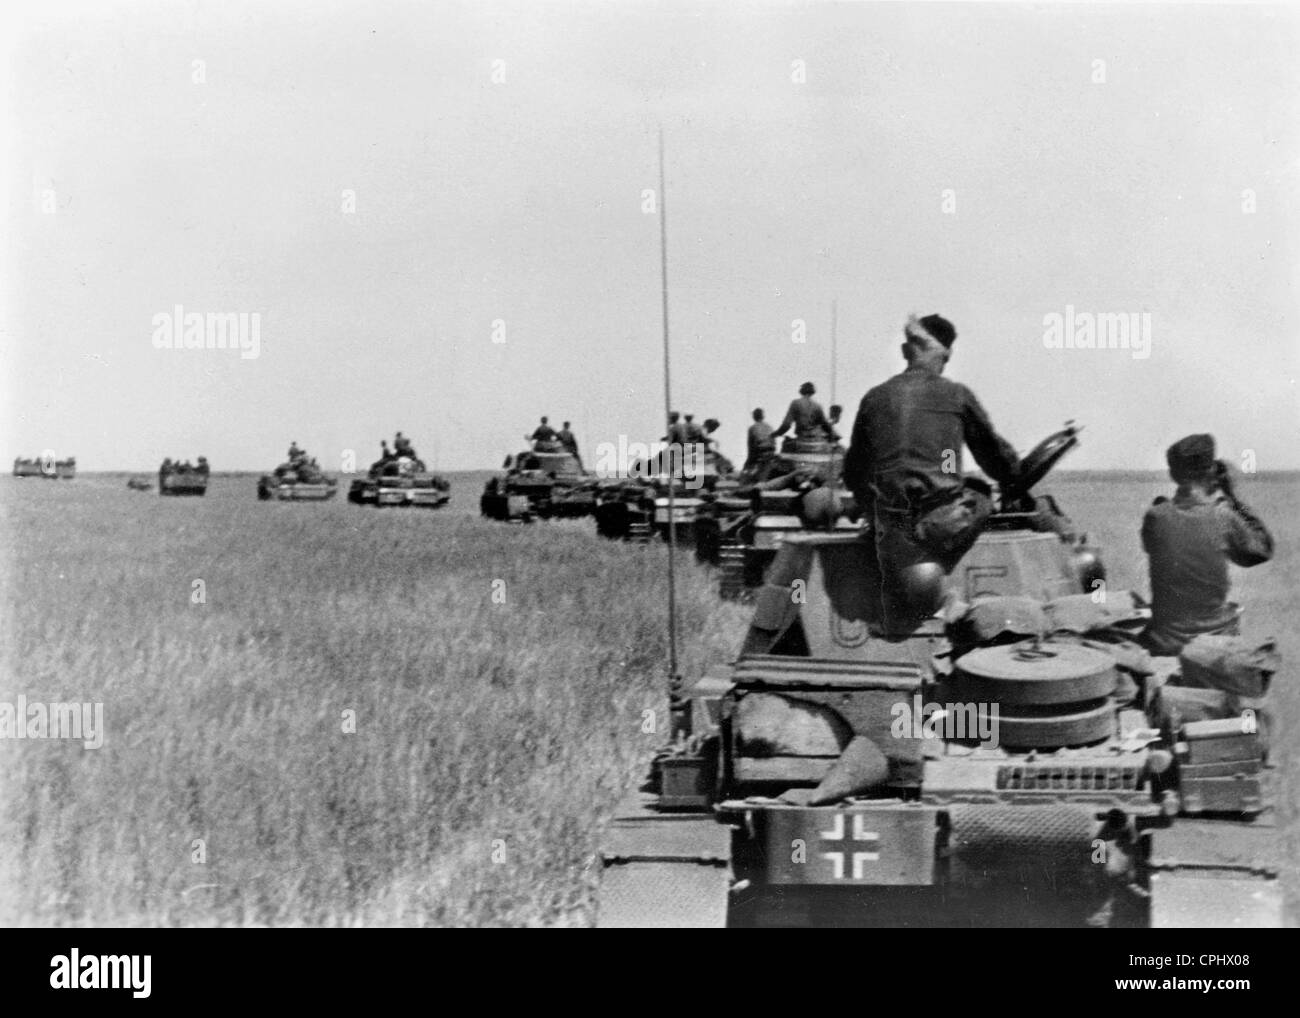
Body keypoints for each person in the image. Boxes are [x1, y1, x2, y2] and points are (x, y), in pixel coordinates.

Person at [844, 314, 1021, 631]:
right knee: (979, 492)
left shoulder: (873, 399)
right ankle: (941, 574)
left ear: (905, 351)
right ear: (944, 355)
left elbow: (854, 472)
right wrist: (1012, 479)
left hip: (890, 529)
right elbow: (997, 460)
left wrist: (873, 513)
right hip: (942, 525)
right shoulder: (956, 395)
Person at [1139, 434, 1273, 656]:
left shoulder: (1155, 516)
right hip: (1213, 640)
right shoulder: (1223, 517)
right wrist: (1233, 496)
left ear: (1173, 474)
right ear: (1212, 472)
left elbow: (1153, 543)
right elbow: (1261, 551)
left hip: (1166, 643)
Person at [773, 382, 837, 445]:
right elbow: (825, 425)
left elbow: (786, 425)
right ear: (813, 392)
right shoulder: (818, 406)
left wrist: (776, 434)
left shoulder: (796, 403)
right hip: (815, 442)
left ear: (801, 391)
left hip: (801, 440)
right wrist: (831, 435)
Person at [746, 408, 776, 473]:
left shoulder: (752, 428)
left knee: (746, 474)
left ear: (754, 417)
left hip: (759, 455)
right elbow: (774, 442)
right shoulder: (770, 427)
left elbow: (750, 447)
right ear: (763, 416)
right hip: (771, 454)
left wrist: (748, 462)